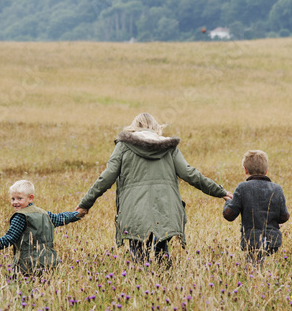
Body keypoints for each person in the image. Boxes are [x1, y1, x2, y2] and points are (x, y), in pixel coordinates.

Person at [76, 112, 230, 267]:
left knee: (137, 256)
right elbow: (190, 174)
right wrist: (219, 191)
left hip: (134, 209)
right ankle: (165, 284)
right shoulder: (169, 147)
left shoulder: (123, 146)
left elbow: (106, 177)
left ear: (133, 128)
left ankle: (141, 284)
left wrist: (85, 204)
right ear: (157, 128)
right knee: (162, 251)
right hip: (165, 208)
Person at [0, 179, 84, 277]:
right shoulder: (44, 214)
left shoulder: (21, 216)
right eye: (13, 199)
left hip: (26, 266)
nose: (15, 202)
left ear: (31, 198)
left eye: (19, 198)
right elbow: (61, 218)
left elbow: (9, 238)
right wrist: (76, 214)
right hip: (49, 263)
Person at [222, 150, 290, 270]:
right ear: (266, 170)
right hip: (273, 241)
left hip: (251, 240)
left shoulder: (242, 188)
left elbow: (229, 215)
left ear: (245, 170)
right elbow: (284, 216)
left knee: (253, 269)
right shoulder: (277, 189)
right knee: (268, 269)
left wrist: (229, 201)